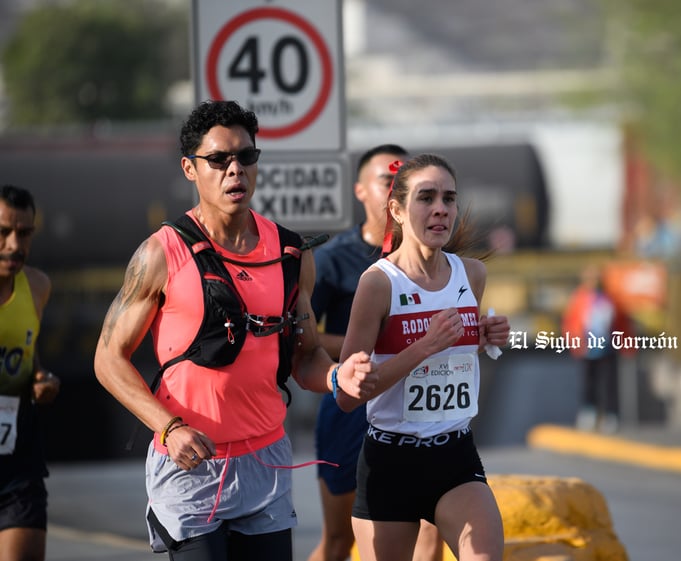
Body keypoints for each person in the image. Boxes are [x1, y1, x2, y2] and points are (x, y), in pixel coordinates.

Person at [93, 100, 376, 561]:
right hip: (190, 465)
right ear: (190, 168)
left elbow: (305, 357)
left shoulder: (291, 253)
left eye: (246, 157)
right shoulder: (161, 253)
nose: (234, 170)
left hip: (264, 464)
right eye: (218, 159)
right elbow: (107, 359)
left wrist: (335, 377)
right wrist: (168, 428)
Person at [334, 153, 510, 561]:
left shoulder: (472, 274)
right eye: (426, 197)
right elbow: (347, 396)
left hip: (455, 456)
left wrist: (484, 337)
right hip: (390, 462)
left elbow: (455, 358)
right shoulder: (379, 283)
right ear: (396, 209)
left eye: (449, 199)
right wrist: (423, 347)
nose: (440, 209)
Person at [308, 145, 442, 561]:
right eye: (386, 180)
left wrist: (485, 331)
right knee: (339, 541)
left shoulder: (434, 257)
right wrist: (367, 350)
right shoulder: (332, 259)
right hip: (354, 408)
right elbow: (302, 336)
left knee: (428, 537)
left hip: (417, 409)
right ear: (361, 191)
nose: (392, 191)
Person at [0, 185, 61, 561]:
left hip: (17, 465)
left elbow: (28, 358)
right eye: (3, 232)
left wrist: (44, 381)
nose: (13, 244)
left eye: (24, 233)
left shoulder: (37, 287)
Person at [562, 264, 633, 433]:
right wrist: (574, 342)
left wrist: (627, 344)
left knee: (609, 383)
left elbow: (622, 323)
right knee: (588, 382)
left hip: (608, 347)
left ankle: (611, 415)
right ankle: (589, 412)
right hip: (587, 348)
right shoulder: (579, 298)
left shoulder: (610, 298)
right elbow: (571, 322)